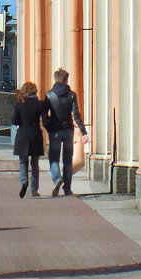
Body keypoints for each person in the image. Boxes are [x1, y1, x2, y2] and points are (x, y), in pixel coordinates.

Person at [42, 68, 88, 197]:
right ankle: (67, 188)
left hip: (54, 130)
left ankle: (57, 178)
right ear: (66, 80)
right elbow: (76, 114)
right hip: (68, 129)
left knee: (53, 158)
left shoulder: (49, 95)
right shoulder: (72, 95)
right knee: (67, 160)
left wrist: (48, 127)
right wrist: (83, 131)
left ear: (56, 79)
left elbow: (44, 115)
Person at [10, 81, 44, 198]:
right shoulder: (39, 104)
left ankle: (24, 181)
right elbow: (45, 119)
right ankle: (34, 190)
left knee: (23, 161)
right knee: (35, 164)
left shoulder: (19, 105)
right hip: (35, 134)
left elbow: (14, 121)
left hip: (23, 134)